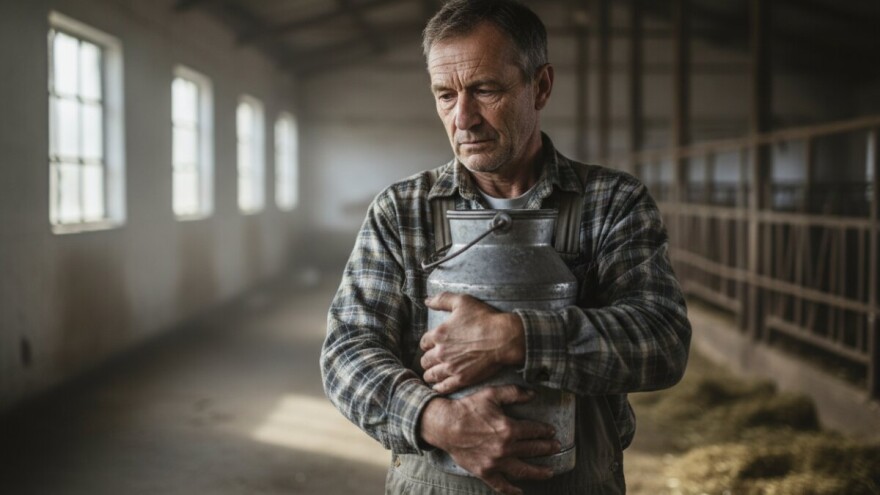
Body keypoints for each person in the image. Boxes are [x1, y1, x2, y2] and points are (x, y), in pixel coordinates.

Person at [321, 1, 691, 493]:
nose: (463, 118)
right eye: (445, 95)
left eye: (485, 90)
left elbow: (662, 341)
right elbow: (346, 351)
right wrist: (439, 420)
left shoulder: (610, 202)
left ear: (540, 87)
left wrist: (515, 337)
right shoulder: (403, 210)